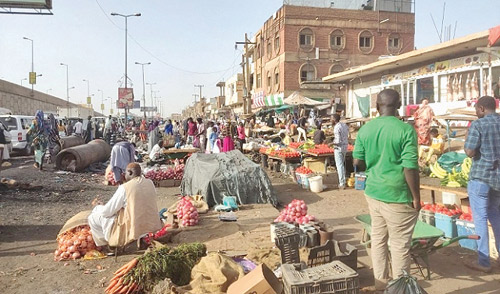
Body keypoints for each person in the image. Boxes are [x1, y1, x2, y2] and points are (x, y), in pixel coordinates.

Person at [353, 89, 420, 292]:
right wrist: (416, 197)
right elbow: (410, 167)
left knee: (379, 240)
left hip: (374, 192)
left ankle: (381, 285)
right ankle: (398, 289)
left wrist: (373, 164)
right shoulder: (406, 130)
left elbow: (357, 162)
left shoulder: (366, 129)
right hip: (398, 196)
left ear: (376, 107)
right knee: (399, 246)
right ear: (399, 105)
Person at [464, 96, 500, 273]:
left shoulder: (478, 125)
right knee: (496, 217)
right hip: (498, 179)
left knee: (480, 218)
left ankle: (484, 262)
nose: (476, 112)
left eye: (476, 109)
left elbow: (469, 152)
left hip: (481, 177)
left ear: (482, 109)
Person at [88, 163, 163, 248]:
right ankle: (141, 239)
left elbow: (106, 212)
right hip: (151, 226)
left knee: (93, 217)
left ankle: (105, 246)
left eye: (125, 173)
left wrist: (99, 207)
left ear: (130, 173)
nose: (124, 175)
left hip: (133, 228)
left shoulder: (125, 187)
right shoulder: (150, 183)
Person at [331, 114, 349, 189]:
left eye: (331, 119)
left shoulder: (336, 127)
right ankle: (343, 180)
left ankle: (342, 183)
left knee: (339, 165)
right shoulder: (344, 125)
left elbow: (338, 141)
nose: (330, 120)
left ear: (334, 120)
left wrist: (330, 143)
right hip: (345, 146)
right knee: (342, 164)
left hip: (339, 148)